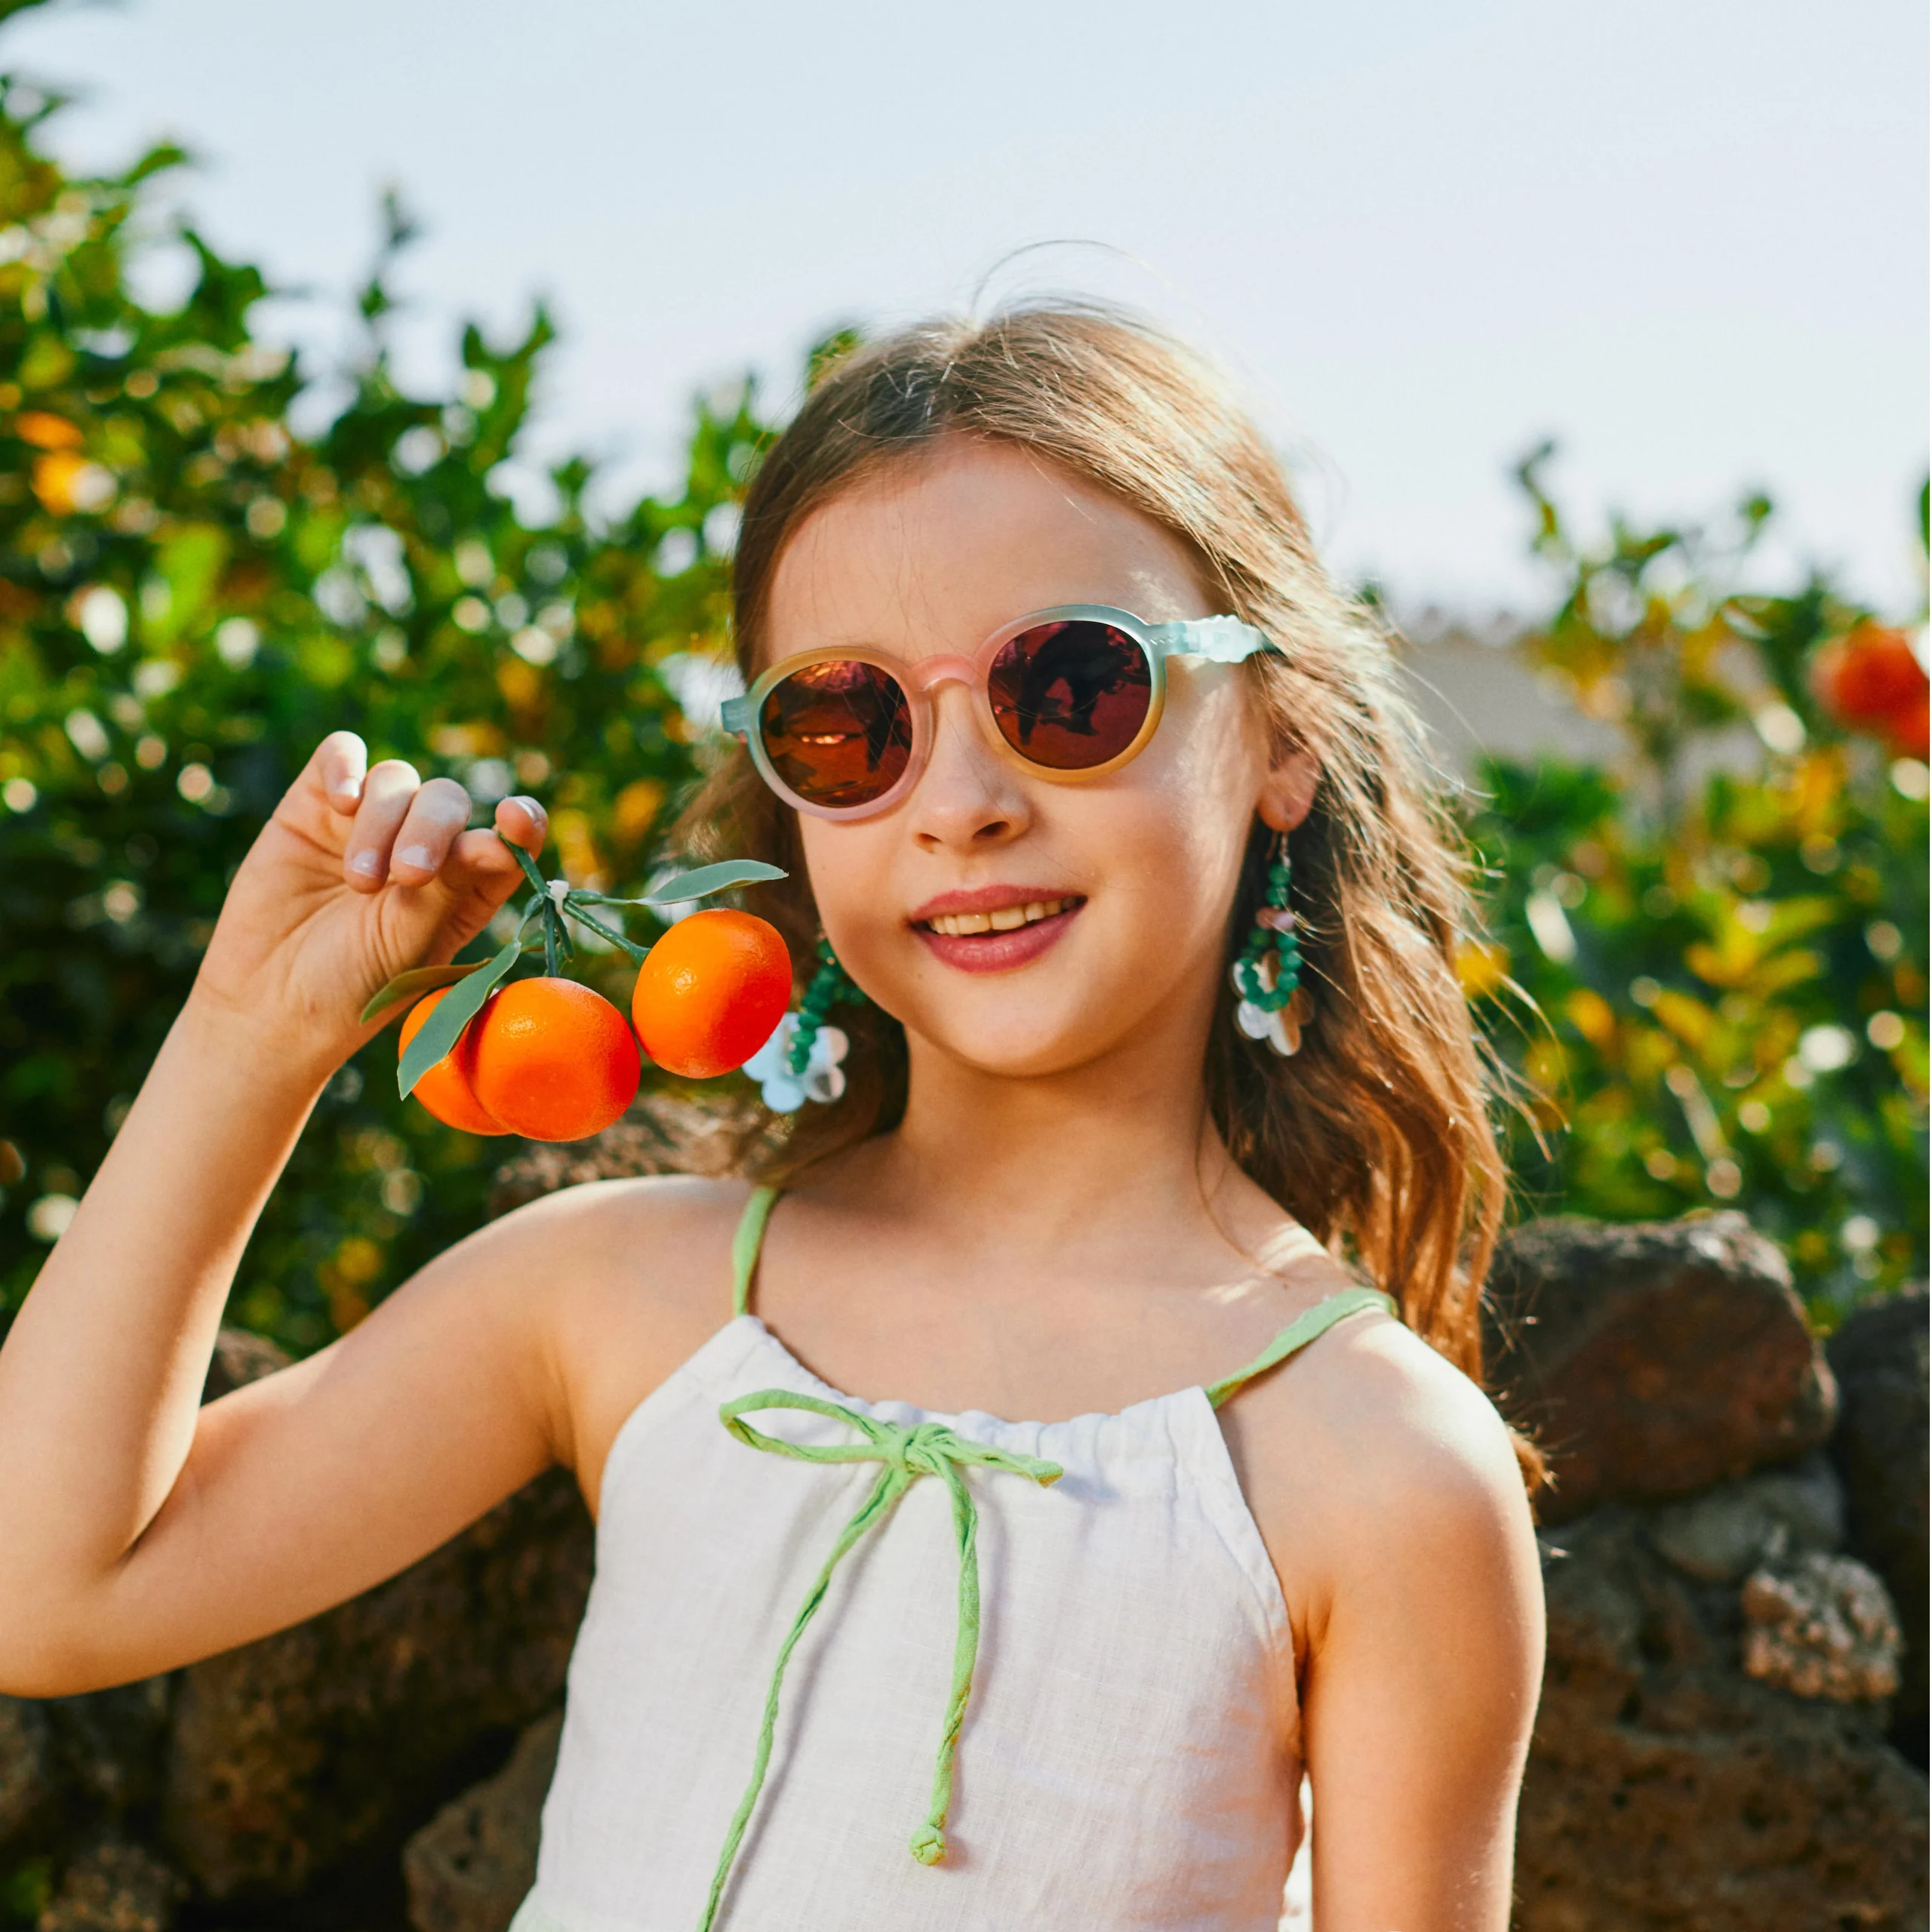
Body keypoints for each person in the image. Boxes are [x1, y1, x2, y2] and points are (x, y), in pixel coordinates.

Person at [0, 306, 1546, 1931]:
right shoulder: (622, 1295)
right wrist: (253, 1031)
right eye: (850, 725)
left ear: (1282, 734)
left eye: (1072, 686)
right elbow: (41, 1589)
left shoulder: (1379, 1469)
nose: (961, 804)